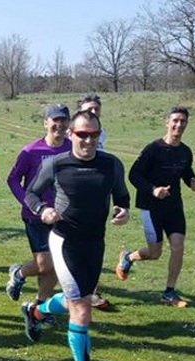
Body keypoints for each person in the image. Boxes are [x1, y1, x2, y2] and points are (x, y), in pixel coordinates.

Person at [23, 109, 130, 361]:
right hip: (64, 241)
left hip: (95, 243)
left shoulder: (111, 164)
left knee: (75, 302)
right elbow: (31, 193)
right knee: (82, 309)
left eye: (93, 134)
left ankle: (37, 312)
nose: (87, 139)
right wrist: (43, 210)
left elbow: (122, 197)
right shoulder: (55, 163)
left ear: (99, 135)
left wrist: (123, 211)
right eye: (82, 134)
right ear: (70, 134)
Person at [116, 107, 195, 307]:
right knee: (155, 253)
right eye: (175, 121)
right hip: (150, 207)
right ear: (167, 123)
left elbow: (186, 171)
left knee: (178, 246)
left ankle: (169, 293)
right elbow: (134, 175)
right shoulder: (153, 149)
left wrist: (193, 181)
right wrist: (153, 190)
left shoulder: (185, 151)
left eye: (183, 121)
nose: (178, 125)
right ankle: (128, 257)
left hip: (174, 206)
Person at [6, 105, 71, 305]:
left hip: (63, 215)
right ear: (45, 123)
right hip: (36, 216)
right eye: (54, 121)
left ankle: (41, 305)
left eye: (63, 120)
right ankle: (19, 274)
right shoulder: (31, 151)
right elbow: (13, 179)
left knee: (56, 264)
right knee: (45, 264)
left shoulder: (72, 148)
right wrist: (28, 202)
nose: (59, 125)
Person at [78, 94, 112, 310]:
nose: (93, 113)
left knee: (96, 241)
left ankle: (92, 290)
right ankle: (80, 289)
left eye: (96, 109)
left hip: (98, 192)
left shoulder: (103, 133)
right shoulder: (73, 132)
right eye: (89, 109)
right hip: (75, 191)